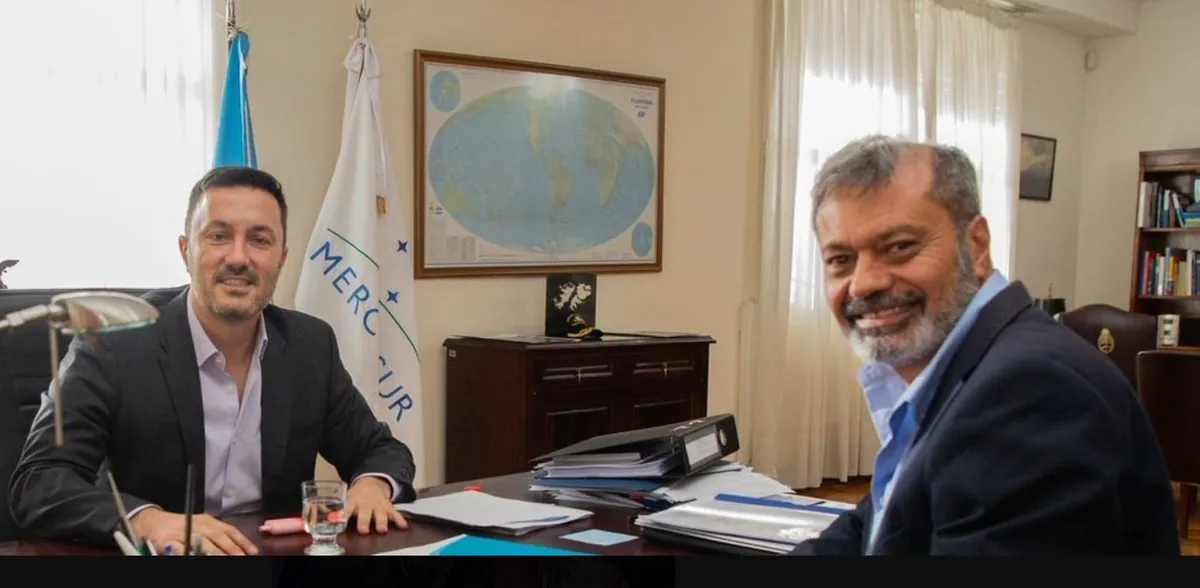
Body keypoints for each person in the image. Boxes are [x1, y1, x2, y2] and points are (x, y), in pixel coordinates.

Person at [791, 135, 1181, 555]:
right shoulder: (966, 367)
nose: (864, 283)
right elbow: (879, 527)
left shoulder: (1028, 391)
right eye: (841, 260)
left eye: (899, 247)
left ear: (976, 246)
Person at [8, 166, 417, 555]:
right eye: (218, 236)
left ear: (281, 258)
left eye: (260, 240)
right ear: (186, 250)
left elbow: (381, 449)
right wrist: (146, 520)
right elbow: (40, 483)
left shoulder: (310, 345)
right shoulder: (112, 344)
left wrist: (372, 485)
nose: (238, 258)